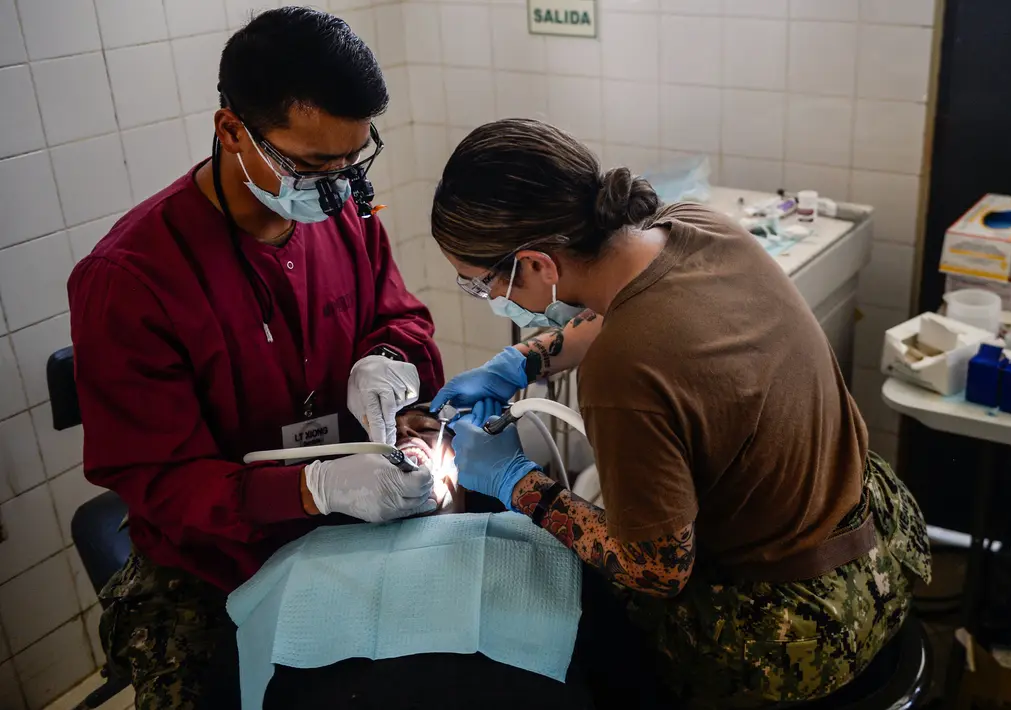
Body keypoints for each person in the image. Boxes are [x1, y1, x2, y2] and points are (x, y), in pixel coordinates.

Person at [428, 118, 933, 707]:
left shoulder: (621, 372)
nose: (491, 299)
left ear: (538, 265)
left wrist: (519, 485)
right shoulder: (696, 228)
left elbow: (656, 570)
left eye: (481, 284)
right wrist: (523, 360)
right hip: (881, 546)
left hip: (800, 630)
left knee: (574, 629)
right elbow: (632, 313)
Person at [68, 8, 443, 707]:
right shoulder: (132, 280)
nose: (336, 187)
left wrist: (388, 361)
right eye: (308, 165)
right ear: (232, 131)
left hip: (349, 517)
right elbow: (164, 482)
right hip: (210, 554)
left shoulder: (345, 213)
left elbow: (403, 318)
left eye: (351, 161)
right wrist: (312, 489)